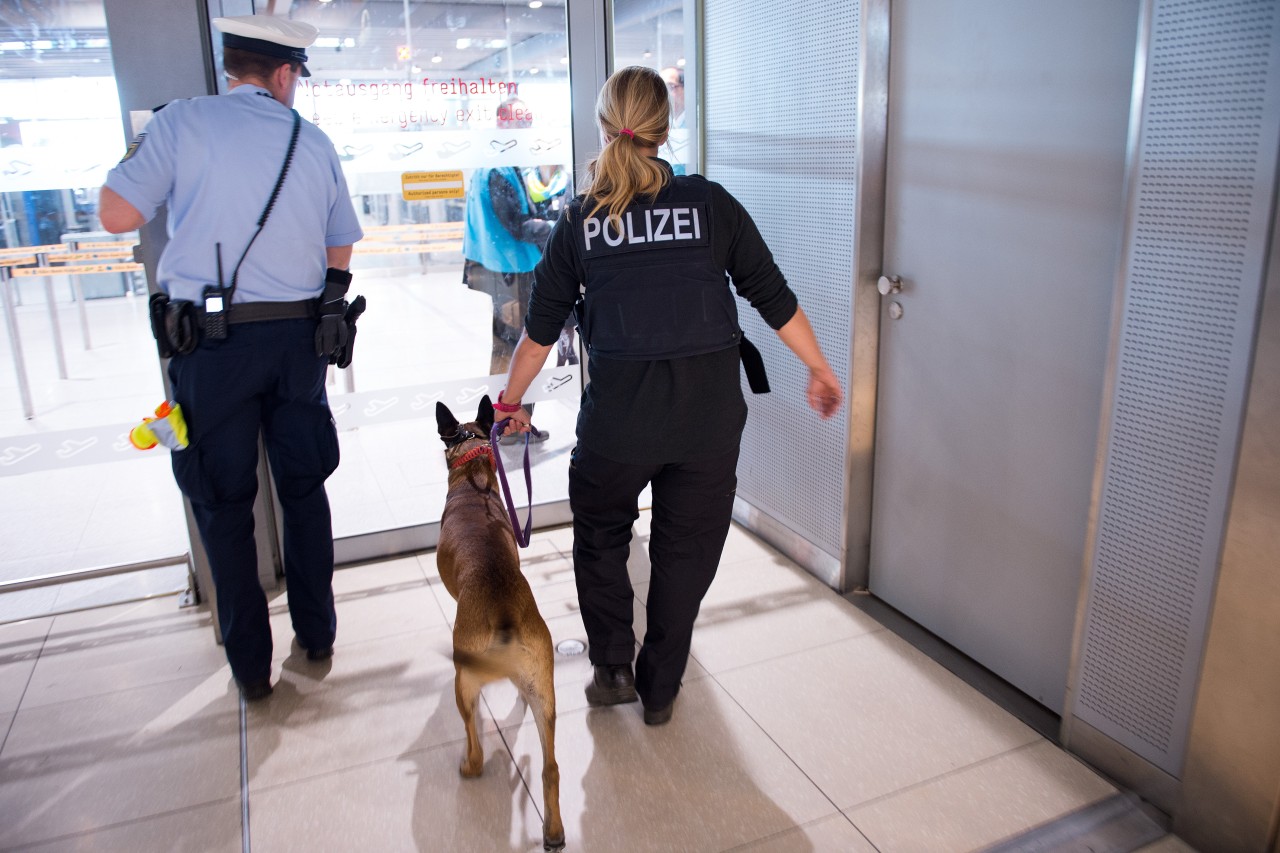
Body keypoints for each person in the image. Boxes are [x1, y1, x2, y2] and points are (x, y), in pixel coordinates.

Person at [494, 66, 842, 726]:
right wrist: (820, 368)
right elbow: (772, 295)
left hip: (619, 424)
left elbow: (539, 336)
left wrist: (510, 404)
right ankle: (660, 682)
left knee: (599, 534)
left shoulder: (581, 220)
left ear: (605, 127)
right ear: (664, 127)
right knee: (686, 549)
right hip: (707, 420)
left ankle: (612, 667)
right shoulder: (711, 205)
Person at [98, 15, 364, 702]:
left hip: (211, 350)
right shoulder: (313, 141)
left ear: (231, 70)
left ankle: (250, 667)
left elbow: (116, 214)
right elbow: (341, 245)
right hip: (300, 343)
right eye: (297, 77)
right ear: (282, 74)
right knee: (304, 491)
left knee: (223, 503)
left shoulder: (181, 123)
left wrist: (143, 151)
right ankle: (319, 632)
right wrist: (330, 302)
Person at [461, 98, 572, 440]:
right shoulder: (497, 168)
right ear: (505, 125)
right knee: (518, 347)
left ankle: (502, 421)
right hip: (509, 271)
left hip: (505, 268)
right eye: (522, 122)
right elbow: (517, 225)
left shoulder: (503, 165)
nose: (527, 129)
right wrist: (564, 229)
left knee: (508, 345)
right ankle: (508, 424)